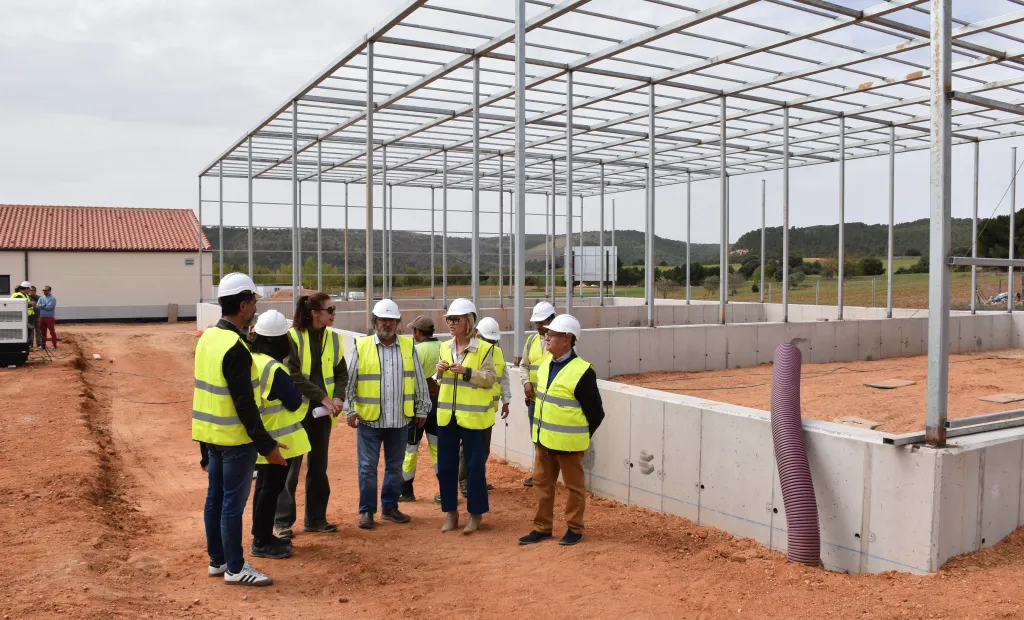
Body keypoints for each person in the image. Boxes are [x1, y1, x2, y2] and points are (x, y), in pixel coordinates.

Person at [192, 272, 286, 586]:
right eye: (253, 304)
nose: (255, 311)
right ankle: (235, 567)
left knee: (215, 500)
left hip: (210, 436)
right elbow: (245, 404)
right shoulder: (235, 346)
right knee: (232, 504)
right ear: (243, 305)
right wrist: (268, 446)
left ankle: (218, 561)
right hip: (234, 440)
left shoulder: (208, 337)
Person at [518, 314, 604, 547]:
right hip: (544, 440)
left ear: (567, 339)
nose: (546, 338)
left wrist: (578, 435)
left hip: (568, 444)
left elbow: (596, 413)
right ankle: (542, 527)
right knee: (542, 485)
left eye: (552, 335)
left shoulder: (583, 371)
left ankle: (574, 528)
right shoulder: (546, 363)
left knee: (574, 488)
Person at [345, 299, 431, 529]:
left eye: (391, 320)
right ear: (375, 322)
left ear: (397, 323)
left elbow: (419, 380)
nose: (387, 324)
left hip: (400, 420)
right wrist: (350, 409)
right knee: (367, 468)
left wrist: (422, 407)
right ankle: (367, 511)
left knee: (395, 466)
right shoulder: (362, 346)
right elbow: (350, 382)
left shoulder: (408, 346)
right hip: (370, 421)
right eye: (383, 320)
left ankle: (390, 507)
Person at [273, 292, 347, 539]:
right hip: (297, 413)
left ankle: (315, 519)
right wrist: (322, 396)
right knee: (291, 468)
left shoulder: (334, 340)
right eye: (330, 309)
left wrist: (338, 396)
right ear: (315, 313)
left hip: (321, 415)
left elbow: (341, 373)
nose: (334, 313)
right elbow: (293, 374)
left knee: (318, 467)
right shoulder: (292, 337)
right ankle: (282, 522)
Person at [249, 310, 311, 560]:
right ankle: (262, 543)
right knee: (270, 490)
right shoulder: (274, 369)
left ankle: (261, 536)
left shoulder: (254, 360)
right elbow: (295, 401)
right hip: (279, 441)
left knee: (263, 488)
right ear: (278, 340)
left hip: (262, 437)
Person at [436, 298, 496, 535]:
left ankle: (476, 514)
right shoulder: (444, 347)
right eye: (449, 319)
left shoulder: (485, 349)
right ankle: (450, 513)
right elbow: (438, 380)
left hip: (472, 419)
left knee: (473, 468)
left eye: (456, 319)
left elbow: (490, 378)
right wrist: (438, 372)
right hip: (447, 418)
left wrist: (467, 372)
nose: (451, 323)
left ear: (469, 321)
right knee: (447, 467)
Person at [457, 316, 509, 496]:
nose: (490, 344)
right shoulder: (467, 352)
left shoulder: (497, 353)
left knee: (483, 449)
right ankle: (464, 482)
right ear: (477, 335)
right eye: (487, 340)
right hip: (469, 409)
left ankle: (476, 479)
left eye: (493, 341)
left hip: (487, 411)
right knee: (467, 449)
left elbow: (504, 378)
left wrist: (506, 401)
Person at [400, 315, 441, 503]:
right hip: (439, 407)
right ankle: (444, 491)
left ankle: (406, 491)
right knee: (438, 449)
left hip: (418, 409)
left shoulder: (415, 351)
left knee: (410, 449)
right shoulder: (444, 348)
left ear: (418, 331)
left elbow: (410, 381)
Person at [517, 301, 555, 487]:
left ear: (551, 319)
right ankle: (540, 474)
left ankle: (548, 475)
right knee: (537, 438)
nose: (539, 326)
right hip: (534, 399)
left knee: (551, 438)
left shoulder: (560, 341)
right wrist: (526, 383)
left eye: (542, 322)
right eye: (537, 323)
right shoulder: (531, 341)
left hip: (552, 402)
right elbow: (523, 366)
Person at [11, 281, 36, 348]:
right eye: (29, 289)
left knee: (28, 332)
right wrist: (31, 304)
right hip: (21, 318)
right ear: (26, 288)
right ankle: (23, 347)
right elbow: (20, 305)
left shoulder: (25, 295)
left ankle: (27, 346)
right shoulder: (18, 295)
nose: (30, 291)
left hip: (27, 317)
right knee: (23, 333)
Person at [36, 286, 57, 350]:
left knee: (52, 332)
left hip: (49, 317)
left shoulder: (53, 298)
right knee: (42, 332)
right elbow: (37, 306)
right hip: (42, 317)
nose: (44, 291)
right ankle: (43, 346)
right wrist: (44, 305)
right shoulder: (41, 298)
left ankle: (54, 345)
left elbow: (49, 307)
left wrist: (42, 306)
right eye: (44, 290)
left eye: (46, 290)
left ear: (49, 291)